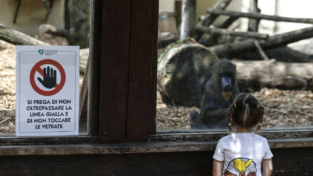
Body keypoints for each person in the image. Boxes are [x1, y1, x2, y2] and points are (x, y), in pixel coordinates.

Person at [212, 93, 273, 176]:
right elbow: (269, 169)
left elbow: (216, 170)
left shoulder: (223, 142)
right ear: (258, 119)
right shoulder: (262, 142)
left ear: (231, 116)